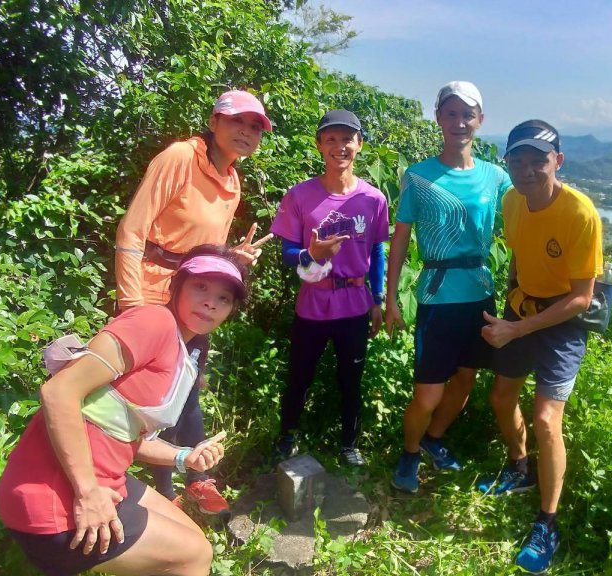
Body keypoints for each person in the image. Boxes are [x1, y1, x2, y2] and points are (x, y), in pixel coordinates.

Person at [0, 246, 250, 576]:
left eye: (224, 298)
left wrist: (183, 457)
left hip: (100, 480)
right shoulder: (153, 322)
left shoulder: (179, 350)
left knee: (195, 539)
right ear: (176, 286)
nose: (210, 302)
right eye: (200, 286)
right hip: (54, 499)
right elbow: (59, 391)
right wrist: (88, 494)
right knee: (195, 556)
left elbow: (125, 433)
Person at [113, 90, 273, 516]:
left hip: (195, 304)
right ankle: (166, 491)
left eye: (256, 127)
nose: (247, 132)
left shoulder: (233, 182)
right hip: (151, 295)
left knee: (187, 393)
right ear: (215, 120)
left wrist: (232, 258)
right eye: (239, 121)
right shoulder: (180, 157)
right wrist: (130, 302)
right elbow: (132, 229)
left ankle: (194, 483)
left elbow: (203, 254)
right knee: (153, 399)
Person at [477, 120, 603, 574]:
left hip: (562, 319)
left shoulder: (578, 213)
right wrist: (512, 308)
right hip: (521, 307)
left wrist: (520, 329)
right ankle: (518, 467)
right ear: (507, 163)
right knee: (500, 396)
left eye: (538, 161)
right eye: (518, 161)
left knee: (547, 419)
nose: (527, 170)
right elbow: (518, 254)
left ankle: (547, 521)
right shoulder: (512, 199)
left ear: (558, 162)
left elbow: (581, 297)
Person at [388, 81, 512, 493]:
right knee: (427, 392)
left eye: (468, 114)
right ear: (439, 118)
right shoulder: (418, 176)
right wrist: (390, 299)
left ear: (480, 121)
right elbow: (401, 239)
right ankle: (409, 455)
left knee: (465, 379)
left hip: (480, 293)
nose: (460, 122)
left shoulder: (496, 176)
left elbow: (524, 218)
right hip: (437, 297)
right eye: (451, 113)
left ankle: (433, 439)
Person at [269, 110, 389, 466]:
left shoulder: (373, 199)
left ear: (360, 145)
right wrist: (311, 253)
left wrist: (378, 298)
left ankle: (349, 443)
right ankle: (287, 435)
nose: (340, 147)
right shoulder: (300, 196)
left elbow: (377, 249)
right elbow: (288, 253)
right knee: (299, 374)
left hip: (355, 303)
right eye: (331, 139)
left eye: (347, 139)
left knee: (351, 377)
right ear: (320, 145)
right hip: (314, 302)